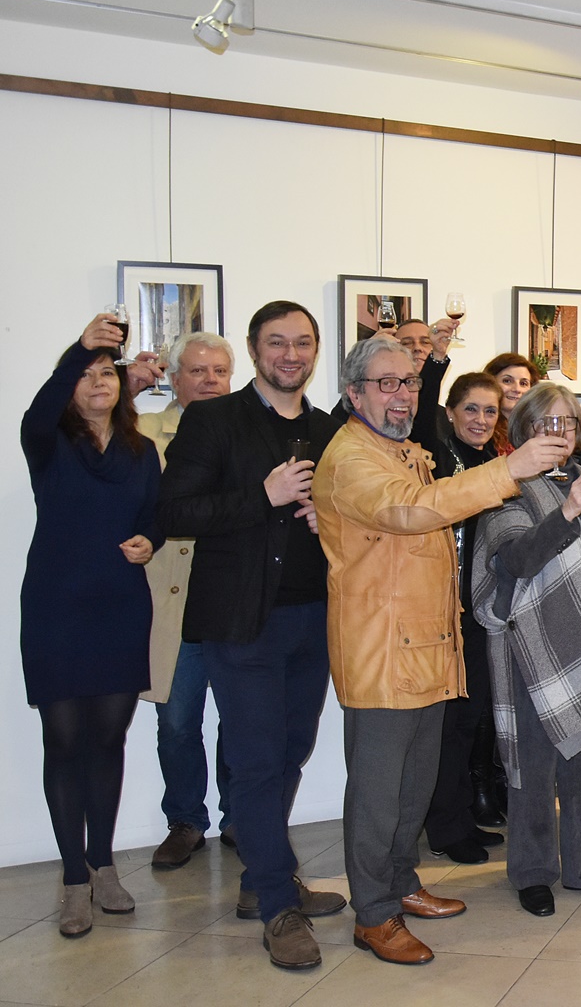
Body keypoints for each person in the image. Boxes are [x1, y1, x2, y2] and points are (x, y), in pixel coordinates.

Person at [316, 335, 566, 963]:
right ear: (354, 394)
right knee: (377, 796)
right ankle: (373, 914)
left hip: (427, 644)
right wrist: (508, 469)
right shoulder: (351, 458)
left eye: (409, 382)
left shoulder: (401, 450)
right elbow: (410, 511)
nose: (402, 394)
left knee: (413, 787)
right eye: (387, 383)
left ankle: (401, 884)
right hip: (381, 652)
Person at [158, 300, 349, 970]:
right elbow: (174, 512)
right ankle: (277, 907)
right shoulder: (213, 420)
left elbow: (349, 514)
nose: (290, 354)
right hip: (242, 624)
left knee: (290, 752)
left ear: (316, 350)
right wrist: (261, 498)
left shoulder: (329, 430)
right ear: (254, 349)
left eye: (302, 342)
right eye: (276, 342)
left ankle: (263, 876)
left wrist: (330, 521)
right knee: (258, 761)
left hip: (313, 619)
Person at [473, 384, 581, 915]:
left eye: (567, 423)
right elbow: (514, 562)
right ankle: (532, 871)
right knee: (534, 769)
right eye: (547, 423)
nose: (559, 433)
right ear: (524, 429)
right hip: (533, 651)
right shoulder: (508, 487)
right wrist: (566, 512)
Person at [22, 314, 163, 938]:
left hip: (121, 607)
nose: (98, 381)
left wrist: (150, 541)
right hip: (56, 608)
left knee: (108, 739)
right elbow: (38, 411)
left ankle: (103, 866)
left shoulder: (141, 451)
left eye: (106, 372)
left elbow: (156, 516)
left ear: (121, 383)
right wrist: (82, 349)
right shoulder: (48, 442)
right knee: (63, 740)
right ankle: (73, 878)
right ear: (69, 385)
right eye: (85, 374)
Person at [140, 331, 237, 870]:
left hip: (235, 599)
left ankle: (241, 818)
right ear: (174, 379)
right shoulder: (142, 434)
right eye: (197, 371)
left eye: (219, 372)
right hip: (173, 604)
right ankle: (185, 821)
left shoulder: (247, 433)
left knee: (242, 720)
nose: (209, 381)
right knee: (177, 722)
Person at [412, 360, 509, 864]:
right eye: (470, 409)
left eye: (490, 411)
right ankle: (446, 828)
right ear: (449, 413)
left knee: (470, 719)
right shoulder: (436, 456)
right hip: (442, 608)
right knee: (448, 724)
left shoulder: (496, 461)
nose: (480, 419)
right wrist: (433, 363)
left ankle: (460, 817)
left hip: (482, 610)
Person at [484, 353, 536, 455]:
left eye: (523, 383)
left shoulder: (536, 429)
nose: (517, 389)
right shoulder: (481, 428)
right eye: (507, 381)